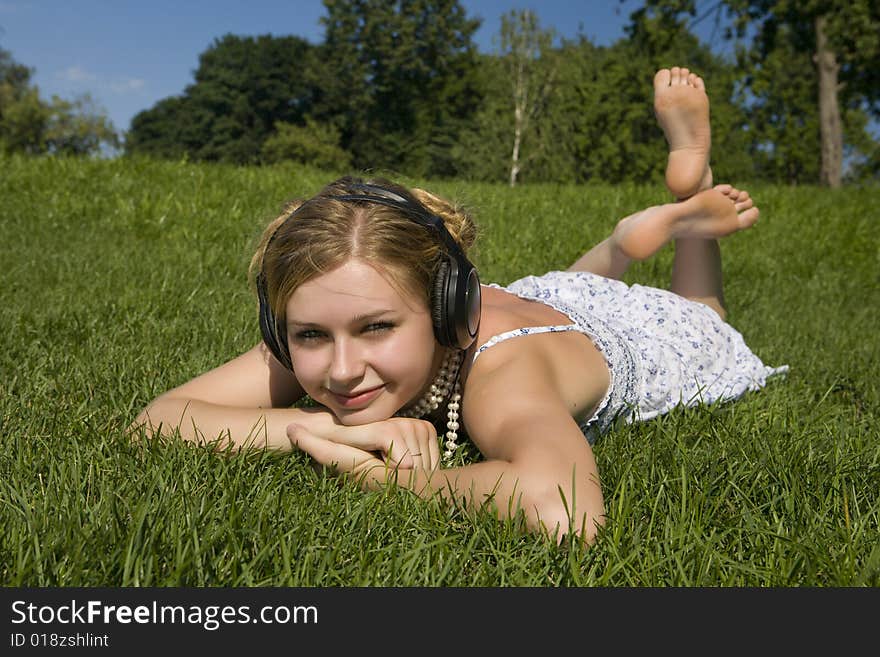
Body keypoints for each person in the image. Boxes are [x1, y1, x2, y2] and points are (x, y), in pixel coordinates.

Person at [131, 67, 787, 543]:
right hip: (550, 299)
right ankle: (623, 240)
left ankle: (689, 201)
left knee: (705, 311)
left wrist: (402, 486)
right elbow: (154, 421)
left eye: (378, 327)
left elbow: (565, 509)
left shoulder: (502, 373)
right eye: (307, 335)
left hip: (634, 336)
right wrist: (332, 430)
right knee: (570, 283)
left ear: (450, 309)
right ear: (284, 327)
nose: (340, 369)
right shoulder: (333, 332)